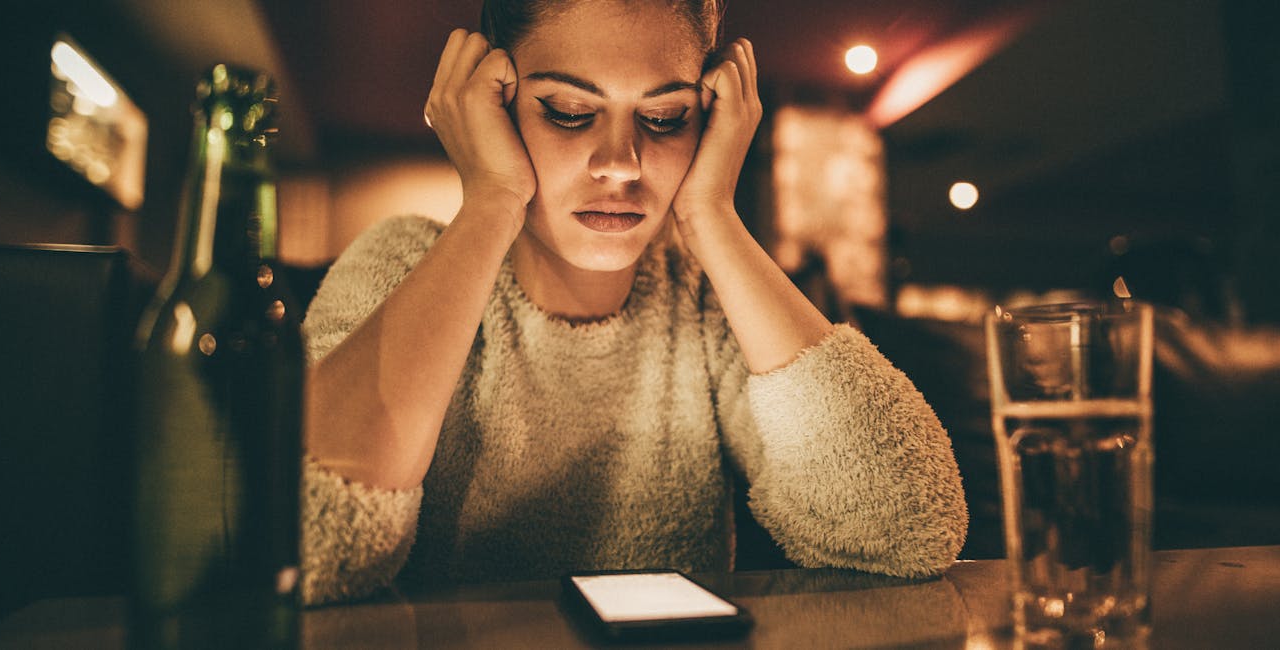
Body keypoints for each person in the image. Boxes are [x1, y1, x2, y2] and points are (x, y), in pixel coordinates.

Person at [299, 0, 967, 605]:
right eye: (569, 112)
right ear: (493, 106)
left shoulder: (708, 302)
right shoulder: (403, 262)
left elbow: (907, 531)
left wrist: (711, 217)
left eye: (663, 118)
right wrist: (490, 202)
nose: (620, 162)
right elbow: (306, 547)